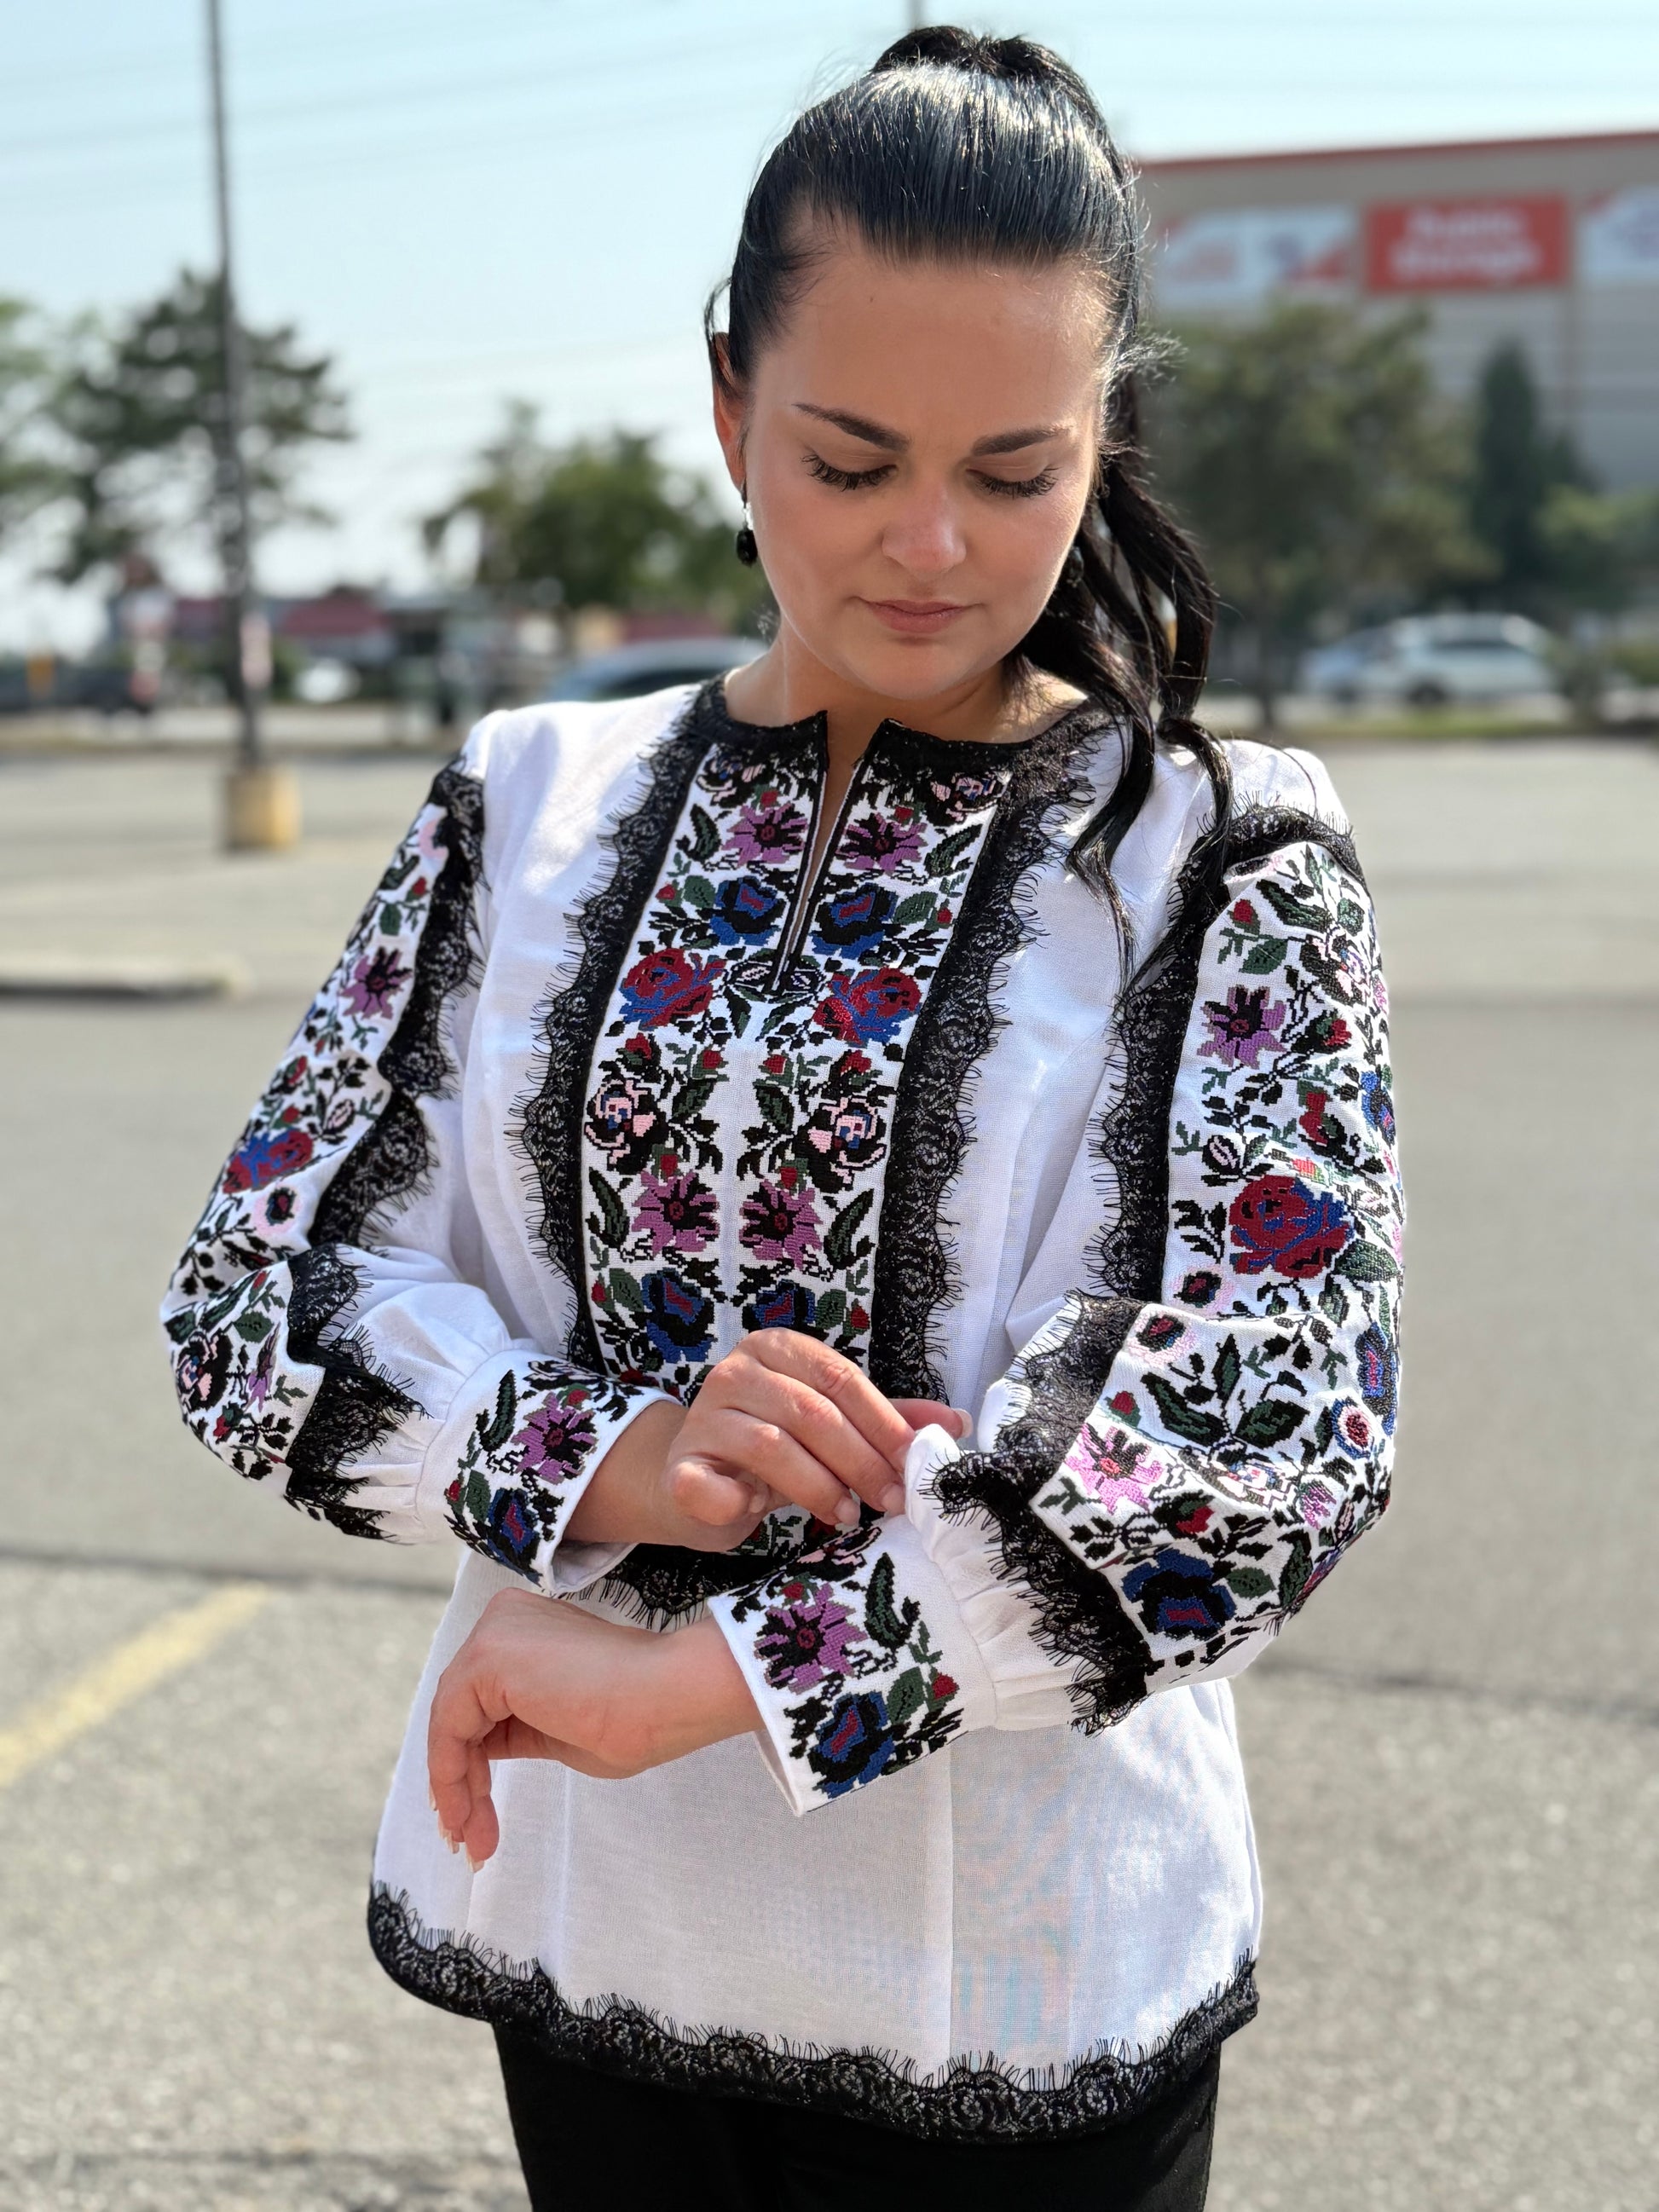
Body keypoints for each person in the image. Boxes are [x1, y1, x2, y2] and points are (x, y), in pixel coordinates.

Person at [160, 28, 1402, 2212]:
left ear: (1103, 439)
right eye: (846, 458)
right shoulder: (524, 801)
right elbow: (258, 1286)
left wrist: (733, 1670)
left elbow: (1262, 1426)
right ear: (728, 402)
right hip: (596, 1924)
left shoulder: (1222, 848)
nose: (929, 544)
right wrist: (593, 1452)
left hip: (1025, 1986)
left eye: (1016, 471)